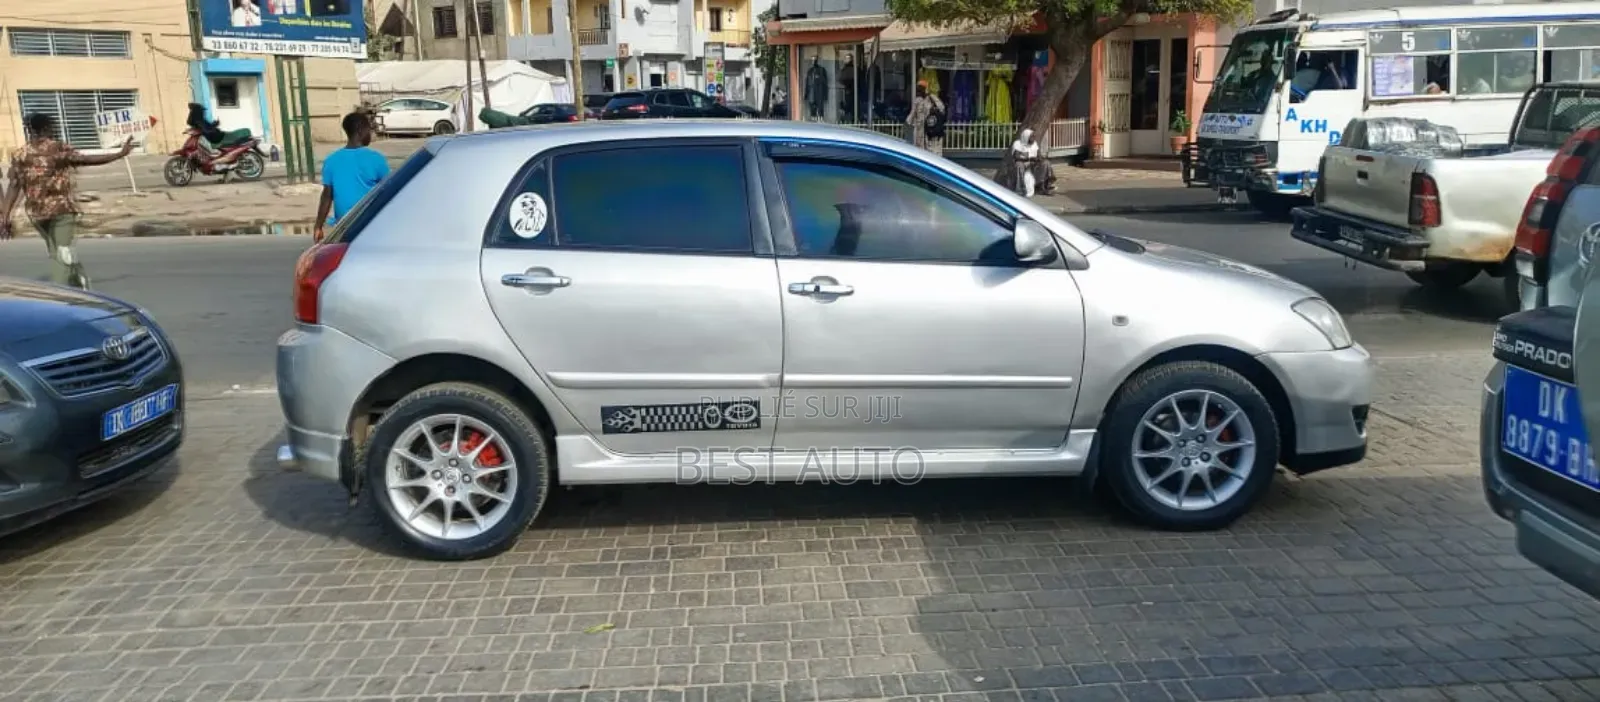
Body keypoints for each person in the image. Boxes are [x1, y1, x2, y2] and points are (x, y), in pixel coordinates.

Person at [0, 113, 135, 289]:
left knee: (58, 252)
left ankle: (75, 284)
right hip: (62, 210)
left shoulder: (19, 154)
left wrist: (5, 216)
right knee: (62, 252)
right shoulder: (57, 148)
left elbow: (13, 187)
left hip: (37, 214)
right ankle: (65, 292)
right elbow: (87, 160)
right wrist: (119, 154)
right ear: (47, 128)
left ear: (30, 130)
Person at [315, 111, 389, 243]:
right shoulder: (376, 159)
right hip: (370, 224)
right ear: (361, 131)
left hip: (343, 227)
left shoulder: (332, 160)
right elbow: (389, 190)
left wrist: (318, 226)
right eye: (369, 130)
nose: (370, 134)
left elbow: (326, 196)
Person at [907, 80, 945, 156]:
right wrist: (907, 124)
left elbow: (942, 108)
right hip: (920, 133)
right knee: (921, 154)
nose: (919, 90)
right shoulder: (917, 101)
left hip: (931, 131)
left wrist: (933, 111)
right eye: (918, 88)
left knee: (933, 153)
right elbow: (911, 115)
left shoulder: (932, 98)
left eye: (921, 88)